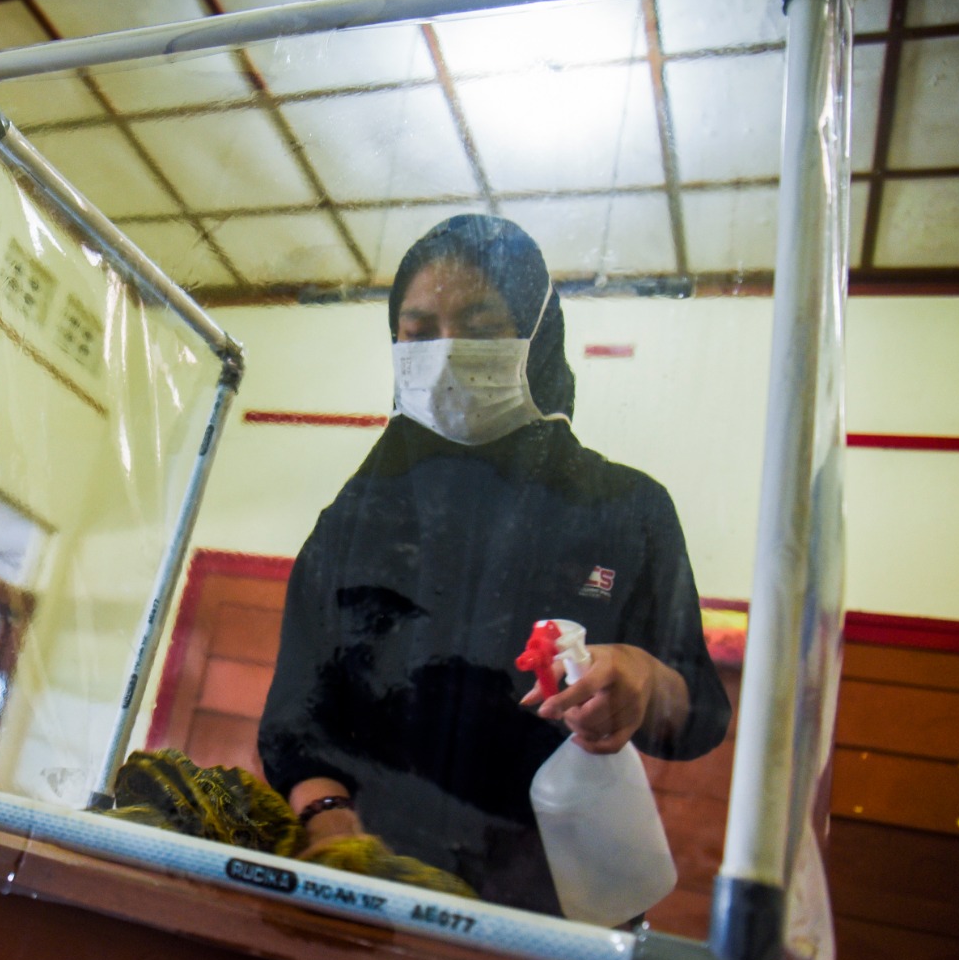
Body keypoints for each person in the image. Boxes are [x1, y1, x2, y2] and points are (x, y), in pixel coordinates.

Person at [257, 214, 731, 915]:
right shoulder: (358, 516)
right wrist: (329, 824)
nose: (446, 355)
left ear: (538, 339)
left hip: (553, 903)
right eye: (417, 335)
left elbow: (699, 714)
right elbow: (294, 716)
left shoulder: (625, 507)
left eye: (479, 327)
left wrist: (640, 674)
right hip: (371, 886)